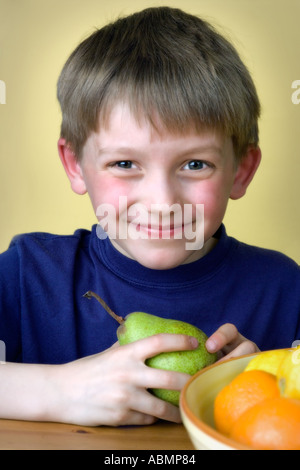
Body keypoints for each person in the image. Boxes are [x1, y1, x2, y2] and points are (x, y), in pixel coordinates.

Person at [0, 6, 299, 427]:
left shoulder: (285, 289)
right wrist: (60, 390)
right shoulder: (27, 274)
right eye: (125, 164)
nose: (161, 202)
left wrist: (274, 383)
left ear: (241, 170)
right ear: (75, 165)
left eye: (195, 164)